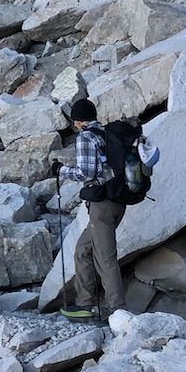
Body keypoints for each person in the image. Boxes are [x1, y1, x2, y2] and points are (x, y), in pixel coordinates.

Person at [55, 97, 159, 323]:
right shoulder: (106, 133)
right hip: (117, 202)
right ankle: (85, 304)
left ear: (79, 122)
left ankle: (119, 311)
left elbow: (86, 173)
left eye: (75, 123)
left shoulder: (86, 137)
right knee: (83, 250)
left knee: (105, 258)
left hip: (102, 206)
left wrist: (62, 171)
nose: (75, 127)